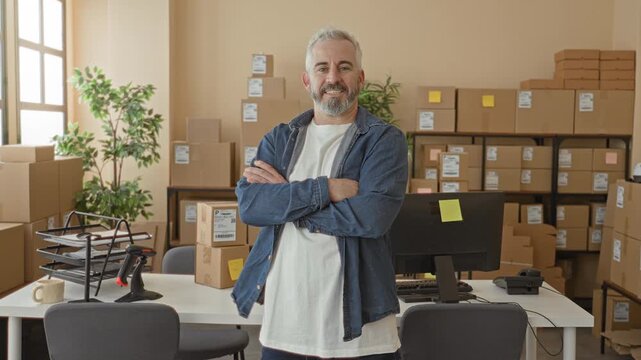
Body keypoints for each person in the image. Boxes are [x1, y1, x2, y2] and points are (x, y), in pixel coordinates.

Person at [231, 27, 408, 359]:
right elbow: (251, 205)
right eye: (322, 68)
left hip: (362, 336)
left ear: (360, 77)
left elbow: (371, 219)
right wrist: (325, 188)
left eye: (344, 67)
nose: (333, 77)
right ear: (307, 80)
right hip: (286, 329)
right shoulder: (279, 139)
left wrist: (286, 201)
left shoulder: (383, 141)